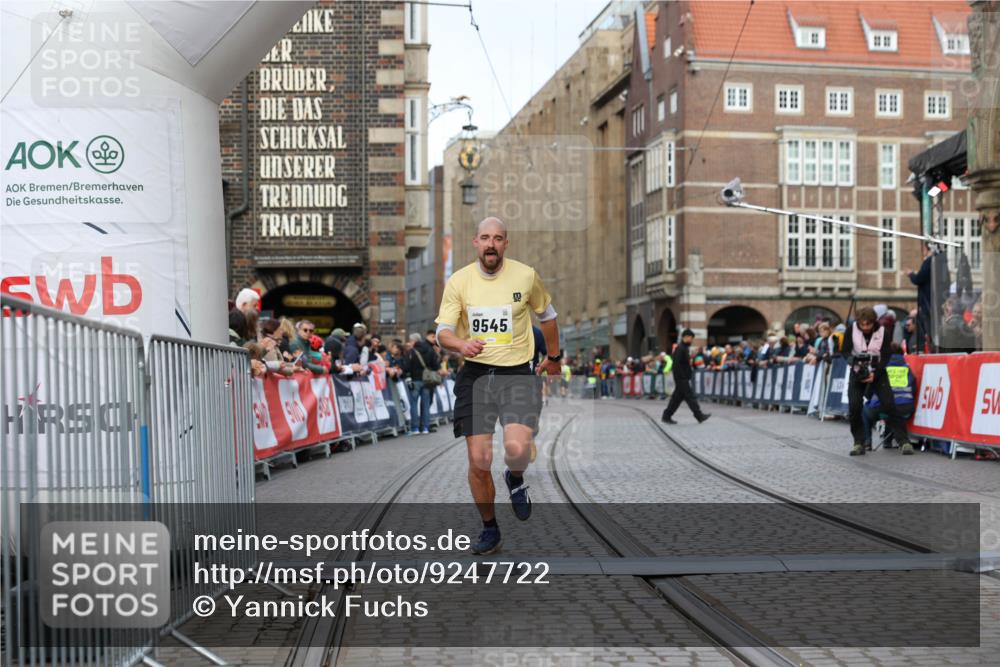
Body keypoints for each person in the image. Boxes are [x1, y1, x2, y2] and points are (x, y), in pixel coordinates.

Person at [435, 217, 560, 555]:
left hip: (517, 373)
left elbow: (547, 316)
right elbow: (442, 330)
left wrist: (554, 357)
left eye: (498, 238)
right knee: (478, 461)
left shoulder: (525, 275)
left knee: (518, 450)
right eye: (485, 238)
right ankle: (490, 528)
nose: (491, 244)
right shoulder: (459, 281)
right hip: (475, 375)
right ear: (476, 242)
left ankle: (515, 480)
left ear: (507, 243)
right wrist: (460, 345)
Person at [841, 307, 914, 456]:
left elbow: (886, 355)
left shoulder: (883, 332)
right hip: (857, 372)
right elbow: (845, 351)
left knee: (889, 404)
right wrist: (853, 361)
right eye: (863, 325)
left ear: (874, 322)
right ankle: (859, 442)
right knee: (854, 408)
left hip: (878, 372)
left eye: (868, 324)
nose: (866, 328)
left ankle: (903, 441)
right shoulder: (851, 329)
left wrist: (876, 373)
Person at [861, 344, 916, 451]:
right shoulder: (907, 368)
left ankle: (867, 442)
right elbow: (913, 389)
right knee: (892, 410)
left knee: (865, 411)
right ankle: (889, 441)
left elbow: (867, 393)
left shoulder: (880, 369)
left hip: (884, 408)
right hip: (906, 409)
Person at [661, 329, 710, 425]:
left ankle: (666, 416)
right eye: (691, 338)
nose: (691, 340)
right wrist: (682, 377)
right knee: (690, 396)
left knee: (677, 398)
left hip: (682, 377)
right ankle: (699, 415)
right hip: (681, 378)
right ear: (686, 337)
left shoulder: (683, 348)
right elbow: (677, 364)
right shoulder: (681, 348)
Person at [407, 331, 440, 435]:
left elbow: (408, 366)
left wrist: (409, 377)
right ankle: (425, 428)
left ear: (413, 341)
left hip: (415, 380)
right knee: (425, 405)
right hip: (427, 380)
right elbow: (435, 366)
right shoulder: (430, 350)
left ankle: (415, 429)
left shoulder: (413, 351)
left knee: (413, 404)